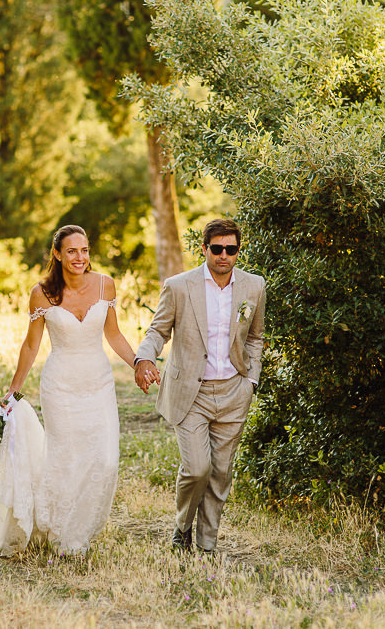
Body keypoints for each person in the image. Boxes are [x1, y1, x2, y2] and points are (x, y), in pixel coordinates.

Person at [0, 225, 139, 555]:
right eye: (73, 251)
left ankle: (79, 530)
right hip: (59, 386)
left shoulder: (106, 285)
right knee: (65, 460)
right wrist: (14, 390)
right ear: (58, 254)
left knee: (105, 461)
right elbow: (32, 345)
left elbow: (115, 335)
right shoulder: (41, 293)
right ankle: (66, 538)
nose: (80, 257)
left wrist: (138, 363)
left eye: (85, 250)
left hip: (99, 385)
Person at [134, 218, 265, 553]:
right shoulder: (179, 286)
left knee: (221, 473)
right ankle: (182, 526)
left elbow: (255, 337)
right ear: (205, 249)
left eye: (231, 249)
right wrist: (144, 358)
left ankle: (206, 546)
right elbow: (157, 331)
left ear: (238, 251)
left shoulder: (253, 286)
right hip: (191, 392)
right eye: (217, 249)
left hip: (234, 391)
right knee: (196, 468)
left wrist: (251, 380)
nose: (224, 256)